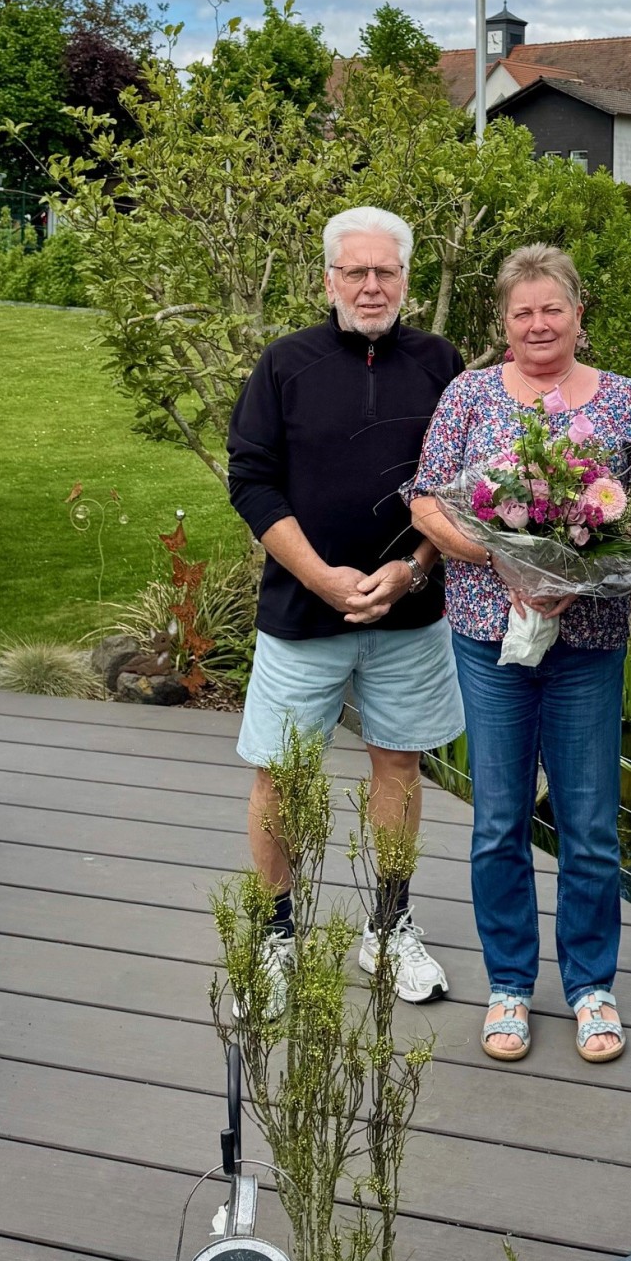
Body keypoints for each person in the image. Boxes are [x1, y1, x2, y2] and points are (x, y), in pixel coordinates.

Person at [409, 245, 631, 1067]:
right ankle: (509, 984)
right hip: (488, 635)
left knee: (589, 824)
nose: (538, 324)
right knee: (499, 821)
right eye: (522, 312)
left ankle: (590, 987)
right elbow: (426, 500)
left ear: (578, 312)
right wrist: (501, 559)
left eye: (552, 308)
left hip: (589, 639)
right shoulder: (469, 394)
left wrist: (579, 573)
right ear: (502, 323)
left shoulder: (623, 399)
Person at [226, 205, 466, 1009]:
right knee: (281, 775)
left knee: (399, 767)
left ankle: (388, 928)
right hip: (302, 614)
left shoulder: (440, 364)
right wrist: (320, 577)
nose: (370, 286)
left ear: (406, 278)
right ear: (328, 279)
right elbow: (250, 480)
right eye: (355, 271)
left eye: (384, 271)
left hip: (409, 616)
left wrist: (412, 569)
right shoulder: (284, 364)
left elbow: (462, 488)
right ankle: (275, 938)